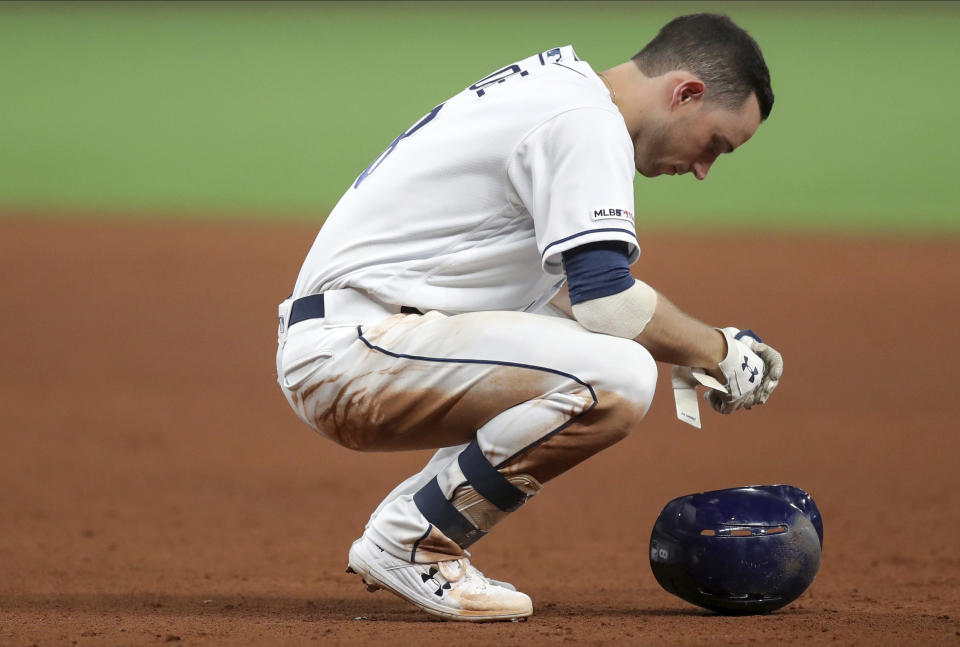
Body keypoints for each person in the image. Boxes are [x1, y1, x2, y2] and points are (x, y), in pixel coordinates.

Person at [275, 13, 783, 622]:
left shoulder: (562, 94)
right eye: (715, 144)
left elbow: (572, 299)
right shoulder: (585, 121)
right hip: (356, 349)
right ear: (685, 93)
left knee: (598, 357)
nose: (704, 168)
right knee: (619, 375)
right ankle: (413, 539)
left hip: (363, 339)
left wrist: (710, 347)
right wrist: (717, 351)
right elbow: (608, 302)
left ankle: (409, 529)